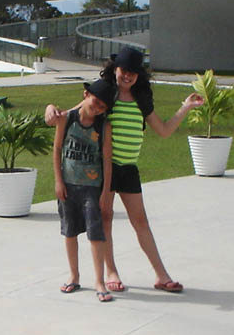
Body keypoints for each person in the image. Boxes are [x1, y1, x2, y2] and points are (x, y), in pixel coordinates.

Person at [46, 46, 203, 294]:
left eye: (133, 72)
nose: (127, 76)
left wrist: (185, 108)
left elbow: (163, 130)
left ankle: (162, 275)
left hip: (128, 169)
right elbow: (73, 113)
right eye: (124, 70)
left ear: (139, 75)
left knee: (140, 221)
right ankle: (111, 272)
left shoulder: (141, 100)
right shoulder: (106, 95)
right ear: (115, 69)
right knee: (105, 218)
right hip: (103, 169)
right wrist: (50, 108)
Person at [53, 78, 116, 303]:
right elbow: (58, 149)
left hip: (92, 187)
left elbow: (107, 160)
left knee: (95, 234)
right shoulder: (67, 120)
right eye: (95, 102)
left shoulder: (104, 126)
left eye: (102, 107)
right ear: (85, 95)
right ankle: (74, 275)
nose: (97, 108)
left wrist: (105, 192)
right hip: (68, 185)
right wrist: (58, 181)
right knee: (69, 231)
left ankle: (99, 280)